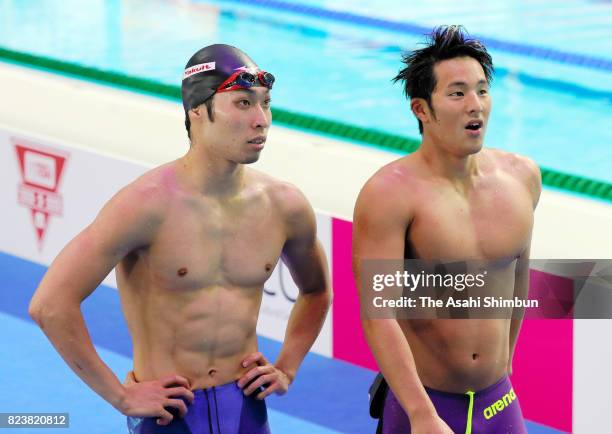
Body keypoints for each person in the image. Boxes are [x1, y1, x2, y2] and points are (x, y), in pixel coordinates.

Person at [29, 44, 331, 434]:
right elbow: (50, 304)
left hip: (246, 409)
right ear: (197, 111)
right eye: (242, 103)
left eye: (265, 104)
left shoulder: (285, 205)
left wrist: (288, 365)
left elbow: (317, 291)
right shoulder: (144, 206)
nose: (262, 120)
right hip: (170, 413)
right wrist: (120, 397)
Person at [353, 26, 541, 434]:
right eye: (457, 94)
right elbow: (378, 314)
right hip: (424, 403)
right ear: (421, 109)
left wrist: (506, 357)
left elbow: (517, 272)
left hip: (498, 399)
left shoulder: (522, 177)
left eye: (482, 90)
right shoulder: (389, 194)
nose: (475, 106)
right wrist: (420, 413)